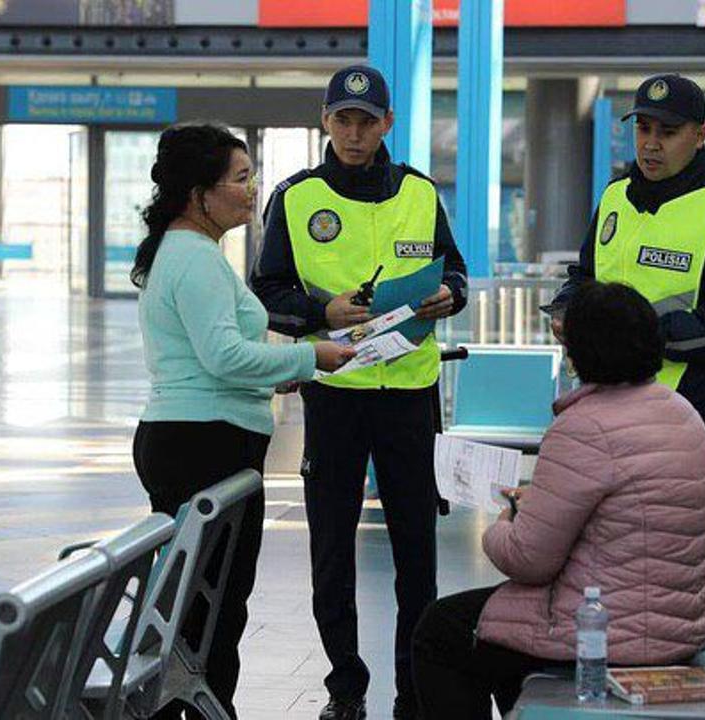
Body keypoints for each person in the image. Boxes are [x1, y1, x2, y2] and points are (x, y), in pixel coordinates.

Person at [251, 65, 469, 720]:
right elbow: (269, 292)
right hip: (336, 395)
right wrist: (323, 312)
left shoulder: (421, 194)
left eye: (366, 121)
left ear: (387, 125)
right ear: (325, 121)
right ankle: (345, 687)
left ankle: (413, 691)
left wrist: (448, 295)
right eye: (342, 119)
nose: (353, 132)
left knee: (417, 558)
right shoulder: (294, 198)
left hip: (408, 395)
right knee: (330, 553)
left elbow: (456, 274)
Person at [412, 281, 705, 720]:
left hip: (608, 637)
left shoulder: (583, 427)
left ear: (584, 349)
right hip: (681, 627)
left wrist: (502, 521)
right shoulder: (681, 411)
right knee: (497, 636)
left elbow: (527, 560)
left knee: (440, 631)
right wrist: (543, 500)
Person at [130, 123, 353, 719]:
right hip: (203, 446)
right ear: (198, 192)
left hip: (201, 437)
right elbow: (221, 355)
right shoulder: (194, 258)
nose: (253, 188)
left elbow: (219, 358)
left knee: (207, 608)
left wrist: (277, 370)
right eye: (240, 177)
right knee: (210, 612)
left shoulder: (187, 252)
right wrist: (310, 355)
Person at [551, 73, 705, 567]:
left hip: (686, 414)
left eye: (668, 133)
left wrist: (628, 337)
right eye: (643, 129)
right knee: (603, 553)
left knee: (687, 557)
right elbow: (585, 275)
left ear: (700, 135)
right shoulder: (614, 196)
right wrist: (568, 308)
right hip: (600, 412)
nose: (651, 145)